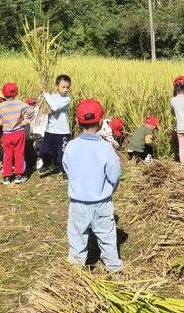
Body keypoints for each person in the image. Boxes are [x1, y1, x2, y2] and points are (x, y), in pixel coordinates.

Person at [62, 99, 122, 272]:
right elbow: (114, 174)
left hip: (78, 204)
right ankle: (114, 267)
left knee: (77, 238)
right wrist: (111, 189)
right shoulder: (106, 148)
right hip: (102, 203)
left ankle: (75, 270)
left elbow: (67, 169)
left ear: (77, 121)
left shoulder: (71, 146)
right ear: (101, 121)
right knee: (107, 238)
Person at [0, 82, 34, 185]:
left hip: (7, 134)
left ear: (3, 94)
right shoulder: (21, 103)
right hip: (19, 132)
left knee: (7, 155)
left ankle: (6, 177)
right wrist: (26, 121)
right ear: (16, 93)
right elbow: (31, 111)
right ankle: (18, 175)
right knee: (19, 154)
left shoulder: (1, 105)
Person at [38, 75, 72, 178]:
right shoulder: (52, 96)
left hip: (62, 132)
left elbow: (55, 107)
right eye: (63, 87)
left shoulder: (67, 99)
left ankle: (65, 171)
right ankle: (47, 164)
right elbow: (44, 105)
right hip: (50, 130)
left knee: (62, 153)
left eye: (67, 87)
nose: (66, 89)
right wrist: (42, 96)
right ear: (57, 86)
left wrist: (46, 96)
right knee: (44, 151)